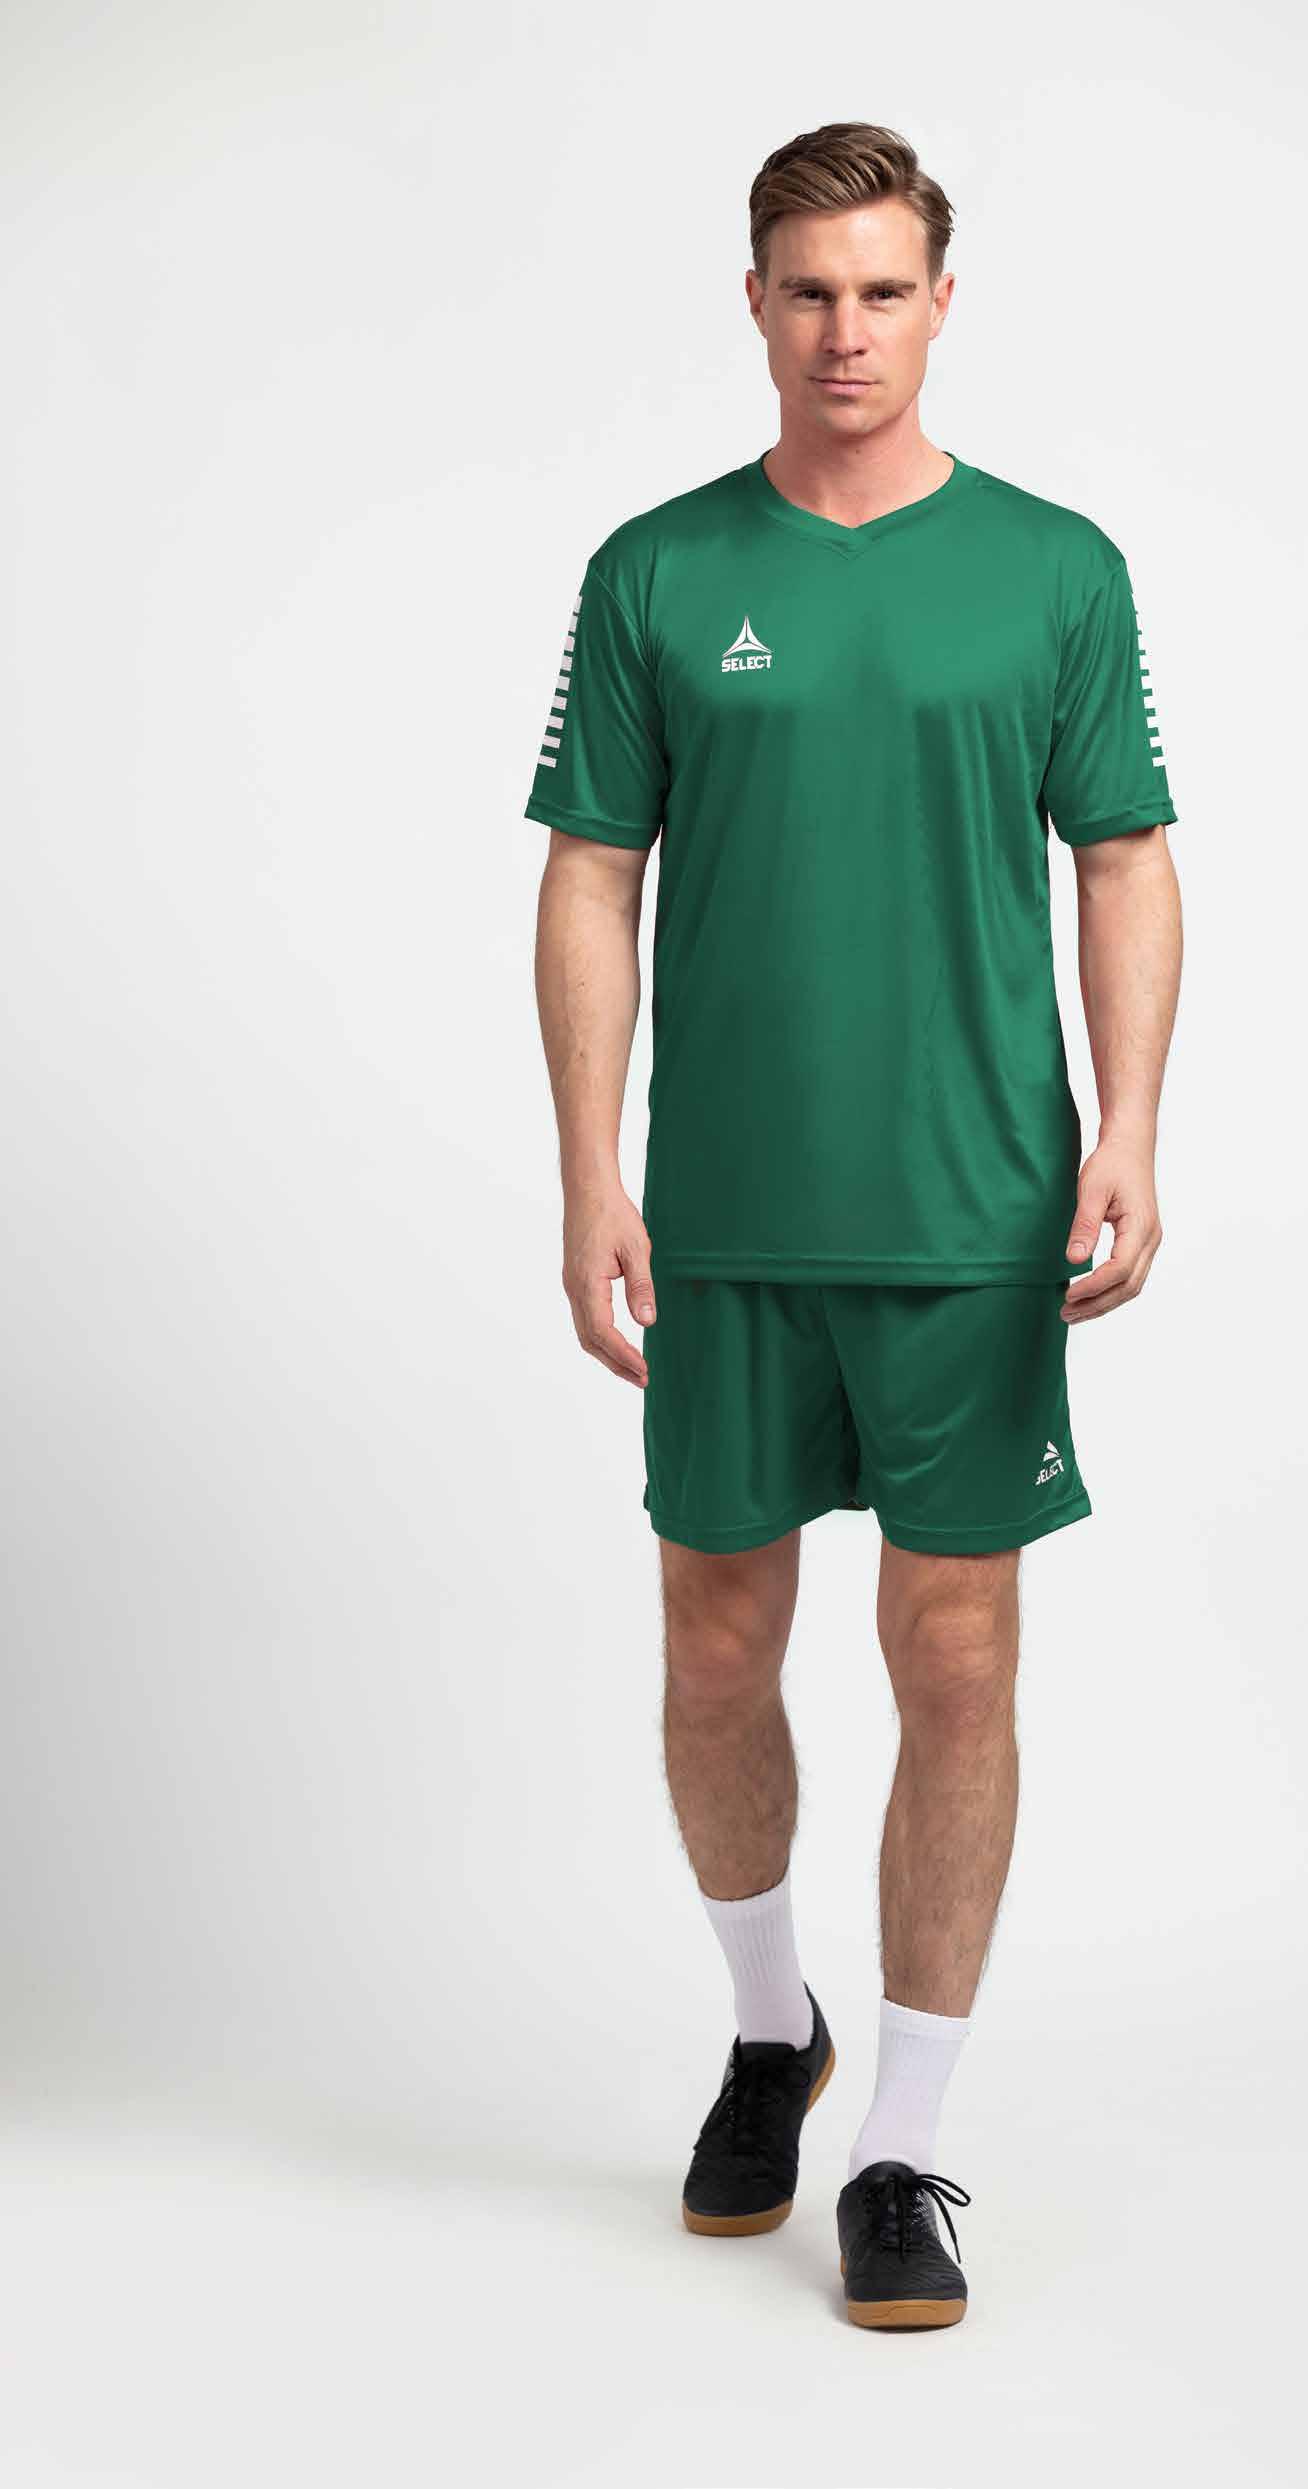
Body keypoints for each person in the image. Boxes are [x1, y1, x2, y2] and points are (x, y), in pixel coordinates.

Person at [526, 120, 1182, 2329]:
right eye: (807, 290)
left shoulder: (1055, 570)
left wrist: (1131, 1122)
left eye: (883, 289)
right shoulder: (654, 570)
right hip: (726, 1215)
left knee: (957, 1656)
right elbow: (592, 872)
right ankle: (766, 2030)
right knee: (716, 1640)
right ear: (753, 303)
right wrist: (589, 1168)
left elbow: (1124, 855)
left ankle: (901, 2144)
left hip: (976, 1212)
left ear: (941, 303)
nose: (845, 330)